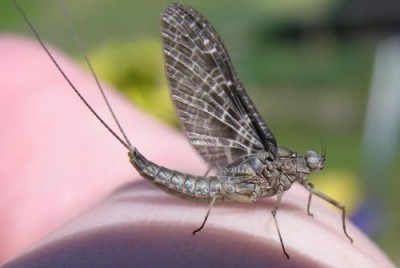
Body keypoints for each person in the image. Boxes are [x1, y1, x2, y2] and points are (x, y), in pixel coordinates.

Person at [0, 35, 394, 267]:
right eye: (310, 162)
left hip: (218, 181)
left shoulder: (291, 179)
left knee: (335, 206)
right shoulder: (274, 170)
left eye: (313, 163)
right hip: (206, 185)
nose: (313, 166)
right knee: (224, 189)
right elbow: (265, 204)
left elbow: (295, 195)